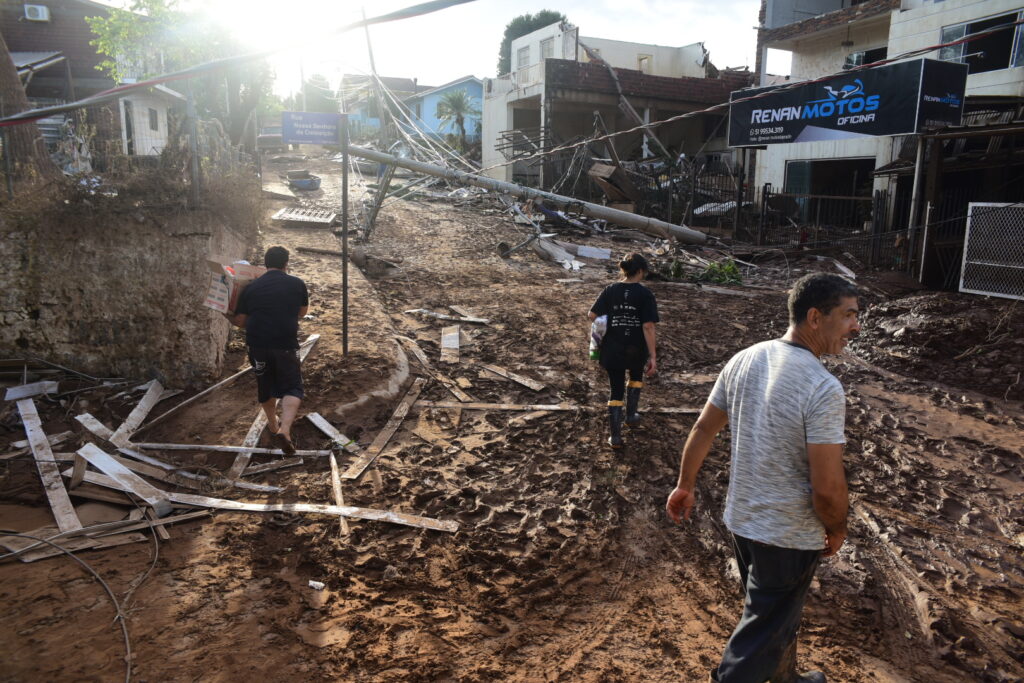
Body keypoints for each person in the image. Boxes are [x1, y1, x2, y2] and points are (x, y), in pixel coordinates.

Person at [666, 273, 860, 683]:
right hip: (787, 535)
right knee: (760, 632)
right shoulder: (823, 387)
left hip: (743, 521)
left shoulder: (745, 358)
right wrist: (837, 527)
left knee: (772, 617)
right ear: (814, 317)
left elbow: (703, 429)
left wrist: (685, 484)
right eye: (848, 316)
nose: (855, 327)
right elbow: (827, 486)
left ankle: (786, 678)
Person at [226, 246, 309, 456]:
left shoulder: (252, 288)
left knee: (265, 384)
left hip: (258, 344)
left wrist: (225, 315)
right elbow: (302, 312)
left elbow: (241, 322)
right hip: (285, 343)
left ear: (265, 264)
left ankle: (273, 426)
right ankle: (285, 430)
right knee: (292, 386)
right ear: (286, 263)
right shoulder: (297, 284)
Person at [589, 253, 659, 449]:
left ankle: (616, 438)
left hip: (612, 348)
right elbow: (648, 326)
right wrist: (653, 355)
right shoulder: (645, 294)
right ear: (639, 271)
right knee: (636, 375)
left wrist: (611, 321)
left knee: (616, 388)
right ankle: (631, 416)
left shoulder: (610, 290)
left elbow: (592, 315)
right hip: (636, 348)